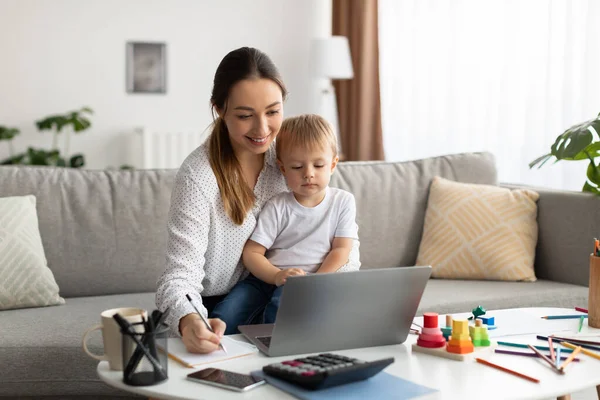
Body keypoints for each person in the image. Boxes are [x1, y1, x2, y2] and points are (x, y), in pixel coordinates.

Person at [156, 48, 361, 354]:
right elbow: (179, 275)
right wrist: (190, 319)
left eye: (273, 111)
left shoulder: (293, 157)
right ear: (220, 110)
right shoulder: (199, 176)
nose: (262, 129)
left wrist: (318, 286)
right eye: (244, 115)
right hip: (218, 307)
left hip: (301, 291)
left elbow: (340, 242)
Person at [211, 114, 360, 331]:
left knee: (281, 312)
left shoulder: (342, 201)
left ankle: (267, 348)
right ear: (282, 168)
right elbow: (252, 253)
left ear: (333, 164)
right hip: (266, 279)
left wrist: (316, 282)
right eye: (297, 167)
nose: (308, 174)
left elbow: (342, 249)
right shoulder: (277, 205)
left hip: (309, 280)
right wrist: (276, 275)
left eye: (318, 165)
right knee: (225, 314)